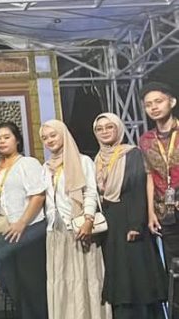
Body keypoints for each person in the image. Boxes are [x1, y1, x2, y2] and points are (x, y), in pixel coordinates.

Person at [94, 113, 167, 318]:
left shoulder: (131, 153)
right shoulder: (97, 159)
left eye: (109, 127)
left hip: (131, 220)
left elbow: (137, 187)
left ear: (118, 128)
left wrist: (135, 224)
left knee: (137, 273)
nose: (104, 132)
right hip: (111, 224)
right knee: (119, 274)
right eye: (99, 129)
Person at [40, 119, 111, 319]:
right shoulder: (45, 167)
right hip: (55, 230)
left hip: (79, 228)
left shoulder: (82, 161)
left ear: (64, 134)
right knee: (61, 280)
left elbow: (90, 192)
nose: (49, 140)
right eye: (44, 138)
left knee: (84, 277)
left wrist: (88, 220)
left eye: (53, 135)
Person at [0, 121, 47, 318]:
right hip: (5, 233)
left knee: (32, 288)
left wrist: (22, 222)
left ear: (17, 140)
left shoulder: (27, 163)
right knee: (14, 288)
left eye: (7, 137)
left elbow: (38, 196)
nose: (2, 141)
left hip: (29, 232)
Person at [138, 82, 179, 314]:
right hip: (165, 211)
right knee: (173, 268)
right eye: (148, 104)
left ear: (171, 102)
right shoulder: (146, 140)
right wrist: (151, 212)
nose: (153, 107)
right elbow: (149, 176)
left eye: (158, 101)